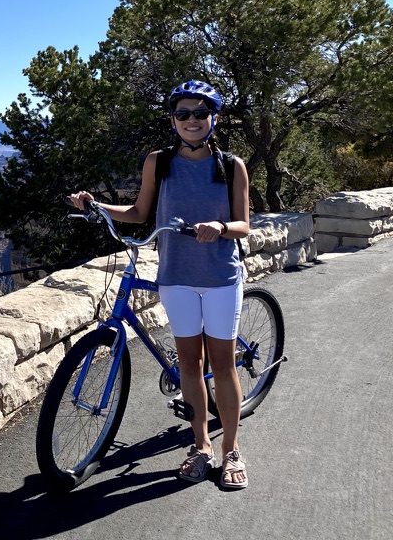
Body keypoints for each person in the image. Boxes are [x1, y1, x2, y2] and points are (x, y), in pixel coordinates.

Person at [69, 79, 251, 489]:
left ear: (214, 118)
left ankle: (232, 450)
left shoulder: (231, 165)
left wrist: (220, 227)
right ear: (173, 120)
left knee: (223, 366)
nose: (191, 120)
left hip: (220, 278)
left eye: (200, 113)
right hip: (176, 277)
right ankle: (201, 447)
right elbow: (139, 212)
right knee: (190, 364)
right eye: (183, 114)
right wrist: (98, 206)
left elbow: (244, 224)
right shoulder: (159, 162)